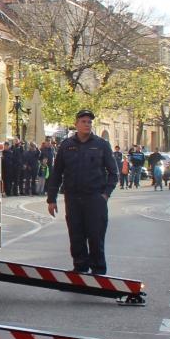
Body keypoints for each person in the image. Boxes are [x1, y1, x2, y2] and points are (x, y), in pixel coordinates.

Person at [45, 109, 120, 275]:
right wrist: (51, 199)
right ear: (76, 124)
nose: (87, 124)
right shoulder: (66, 145)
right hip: (73, 198)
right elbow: (57, 173)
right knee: (76, 236)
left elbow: (114, 173)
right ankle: (79, 269)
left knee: (95, 236)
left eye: (89, 122)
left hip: (95, 198)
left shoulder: (101, 144)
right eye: (84, 121)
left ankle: (98, 271)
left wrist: (105, 195)